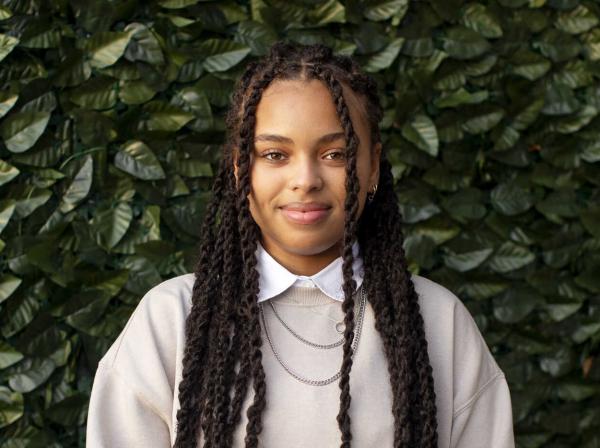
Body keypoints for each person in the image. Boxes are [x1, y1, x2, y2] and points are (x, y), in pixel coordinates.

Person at [86, 41, 515, 447]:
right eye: (275, 154)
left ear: (373, 168)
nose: (306, 179)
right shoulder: (171, 319)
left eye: (336, 154)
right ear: (241, 169)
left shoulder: (439, 322)